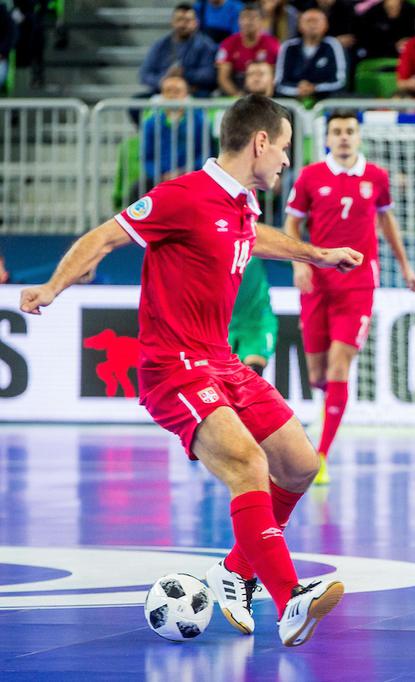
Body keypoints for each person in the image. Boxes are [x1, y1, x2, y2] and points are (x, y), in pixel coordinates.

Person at [19, 95, 360, 646]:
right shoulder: (181, 195)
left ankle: (234, 572)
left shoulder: (243, 205)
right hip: (171, 368)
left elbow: (254, 239)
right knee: (248, 462)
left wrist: (314, 254)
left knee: (298, 465)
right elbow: (102, 236)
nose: (287, 163)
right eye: (286, 149)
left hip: (221, 361)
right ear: (260, 143)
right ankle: (289, 598)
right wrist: (53, 288)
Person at [285, 110, 415, 484]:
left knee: (339, 366)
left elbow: (386, 221)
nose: (344, 137)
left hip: (359, 282)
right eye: (337, 132)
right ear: (327, 137)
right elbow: (292, 222)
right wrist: (299, 262)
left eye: (349, 131)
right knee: (317, 376)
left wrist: (405, 267)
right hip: (317, 282)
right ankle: (330, 407)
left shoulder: (376, 176)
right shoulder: (310, 176)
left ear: (358, 137)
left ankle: (321, 455)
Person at [139, 3, 219, 97]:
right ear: (172, 22)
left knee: (204, 97)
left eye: (187, 21)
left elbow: (210, 75)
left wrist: (185, 74)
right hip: (164, 91)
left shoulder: (207, 45)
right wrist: (164, 80)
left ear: (196, 23)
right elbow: (145, 74)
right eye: (179, 20)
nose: (182, 24)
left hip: (193, 91)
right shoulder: (160, 45)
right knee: (137, 103)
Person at [142, 75, 207, 187]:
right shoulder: (151, 123)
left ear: (186, 95)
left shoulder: (199, 121)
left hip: (192, 177)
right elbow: (147, 158)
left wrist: (185, 172)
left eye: (177, 91)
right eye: (168, 91)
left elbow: (205, 153)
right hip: (159, 178)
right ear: (162, 95)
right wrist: (161, 175)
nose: (172, 95)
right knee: (136, 189)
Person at [275, 8, 346, 102]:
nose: (312, 25)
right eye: (308, 21)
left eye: (317, 21)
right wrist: (298, 90)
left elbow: (340, 81)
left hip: (325, 100)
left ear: (326, 25)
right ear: (299, 25)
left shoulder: (333, 44)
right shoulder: (288, 47)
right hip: (292, 100)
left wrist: (315, 88)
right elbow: (279, 82)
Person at [216, 2, 281, 97]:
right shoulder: (228, 43)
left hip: (262, 88)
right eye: (244, 18)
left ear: (262, 21)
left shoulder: (272, 44)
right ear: (238, 21)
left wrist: (266, 100)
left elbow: (271, 77)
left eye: (253, 18)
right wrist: (238, 96)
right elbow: (223, 78)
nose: (248, 22)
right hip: (237, 87)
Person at [229, 257, 278, 376]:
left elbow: (290, 249)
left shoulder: (256, 242)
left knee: (252, 373)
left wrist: (299, 265)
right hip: (219, 323)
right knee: (216, 380)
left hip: (256, 322)